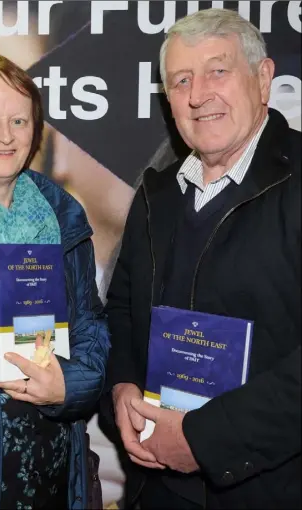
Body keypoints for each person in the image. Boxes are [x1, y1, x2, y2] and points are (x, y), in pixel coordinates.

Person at [103, 8, 301, 510]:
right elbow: (123, 310)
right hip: (155, 489)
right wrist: (121, 385)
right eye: (181, 80)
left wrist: (205, 440)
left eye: (218, 70)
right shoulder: (157, 195)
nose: (197, 95)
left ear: (262, 78)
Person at [0, 52, 110, 510]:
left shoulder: (65, 218)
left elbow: (91, 327)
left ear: (35, 131)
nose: (4, 135)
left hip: (51, 471)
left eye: (19, 121)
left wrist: (69, 386)